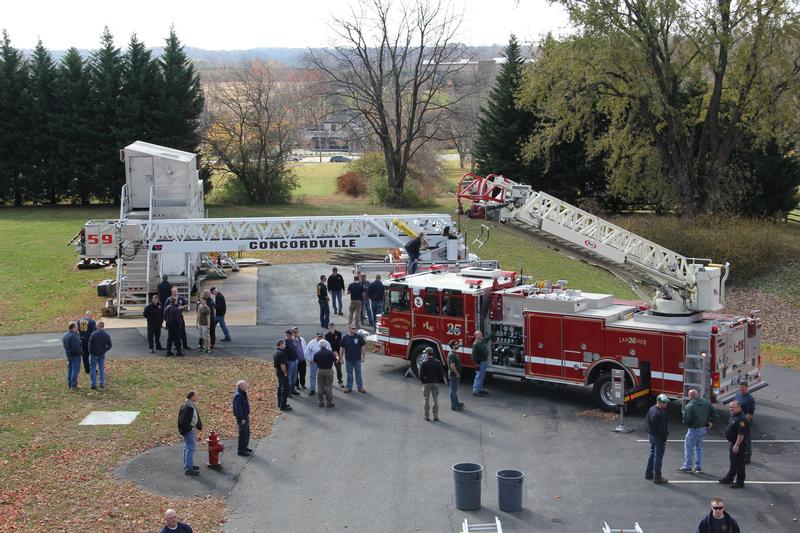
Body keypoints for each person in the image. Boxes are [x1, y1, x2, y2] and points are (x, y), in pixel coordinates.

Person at [680, 389, 717, 473]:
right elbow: (714, 413)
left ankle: (687, 466)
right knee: (698, 448)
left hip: (693, 430)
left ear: (690, 396)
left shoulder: (690, 406)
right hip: (703, 429)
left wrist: (686, 422)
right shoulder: (705, 402)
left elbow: (686, 420)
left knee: (689, 448)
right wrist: (710, 422)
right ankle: (698, 467)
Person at [719, 400, 747, 489]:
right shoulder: (734, 416)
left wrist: (737, 445)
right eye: (730, 407)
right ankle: (729, 478)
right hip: (733, 442)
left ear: (738, 407)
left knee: (739, 463)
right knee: (733, 462)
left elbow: (741, 434)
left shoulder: (741, 419)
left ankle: (740, 482)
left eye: (733, 407)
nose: (731, 409)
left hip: (738, 444)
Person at [645, 394, 670, 484]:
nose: (665, 404)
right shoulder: (661, 413)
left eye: (666, 402)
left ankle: (648, 473)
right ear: (658, 402)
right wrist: (664, 440)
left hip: (651, 435)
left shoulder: (652, 409)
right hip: (658, 438)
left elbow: (646, 421)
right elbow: (663, 430)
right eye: (664, 402)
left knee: (652, 454)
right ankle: (657, 477)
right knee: (658, 458)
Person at [177, 390, 203, 476]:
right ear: (192, 397)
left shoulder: (190, 405)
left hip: (191, 429)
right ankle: (189, 468)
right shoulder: (187, 407)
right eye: (196, 395)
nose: (198, 397)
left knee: (187, 447)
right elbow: (182, 421)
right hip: (189, 431)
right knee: (190, 448)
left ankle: (188, 465)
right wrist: (190, 428)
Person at [419, 347, 444, 421]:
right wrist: (437, 380)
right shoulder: (438, 362)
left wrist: (424, 382)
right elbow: (442, 374)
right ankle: (435, 416)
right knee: (435, 400)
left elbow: (420, 376)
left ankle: (427, 416)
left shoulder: (424, 363)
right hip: (435, 383)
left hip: (426, 383)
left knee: (426, 399)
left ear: (427, 354)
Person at [340, 323, 366, 393]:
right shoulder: (345, 338)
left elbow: (363, 347)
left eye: (355, 328)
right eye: (353, 329)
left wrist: (363, 357)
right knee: (349, 374)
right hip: (348, 359)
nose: (355, 330)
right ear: (349, 329)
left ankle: (360, 387)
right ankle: (349, 387)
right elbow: (342, 348)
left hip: (357, 359)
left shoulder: (358, 337)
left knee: (358, 374)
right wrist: (341, 358)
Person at [734, 382, 755, 464]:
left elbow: (750, 414)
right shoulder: (738, 395)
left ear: (747, 388)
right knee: (738, 439)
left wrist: (743, 423)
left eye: (743, 387)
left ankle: (747, 456)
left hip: (745, 423)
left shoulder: (750, 399)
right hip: (738, 421)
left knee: (746, 439)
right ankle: (740, 454)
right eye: (740, 387)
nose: (741, 389)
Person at [87, 321, 112, 390]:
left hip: (94, 354)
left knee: (93, 368)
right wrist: (105, 350)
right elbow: (110, 345)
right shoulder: (106, 335)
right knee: (101, 369)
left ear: (98, 326)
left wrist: (90, 351)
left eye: (96, 325)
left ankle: (93, 384)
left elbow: (90, 343)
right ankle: (102, 383)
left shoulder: (94, 334)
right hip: (102, 354)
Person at [313, 339, 337, 408]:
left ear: (319, 346)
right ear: (326, 345)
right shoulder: (330, 353)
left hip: (320, 370)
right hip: (328, 370)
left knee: (320, 387)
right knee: (328, 387)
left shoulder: (316, 354)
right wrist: (337, 358)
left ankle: (321, 402)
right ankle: (329, 402)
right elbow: (335, 361)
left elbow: (314, 362)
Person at [232, 380, 252, 456]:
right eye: (244, 386)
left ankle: (245, 447)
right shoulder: (238, 396)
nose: (246, 387)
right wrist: (241, 418)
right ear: (240, 386)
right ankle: (241, 450)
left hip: (245, 416)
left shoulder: (242, 394)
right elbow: (238, 409)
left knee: (247, 433)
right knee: (243, 434)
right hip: (242, 418)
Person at [471, 330, 491, 397]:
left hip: (484, 362)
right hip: (480, 363)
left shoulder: (481, 341)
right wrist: (476, 364)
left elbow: (488, 338)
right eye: (479, 334)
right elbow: (473, 356)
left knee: (482, 376)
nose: (481, 335)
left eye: (481, 334)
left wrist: (494, 331)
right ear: (476, 336)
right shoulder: (476, 345)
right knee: (479, 376)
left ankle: (480, 389)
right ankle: (475, 391)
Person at [273, 339, 292, 411]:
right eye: (284, 344)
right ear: (280, 344)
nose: (285, 345)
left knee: (280, 388)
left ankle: (280, 403)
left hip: (278, 372)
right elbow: (282, 365)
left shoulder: (275, 351)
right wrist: (285, 373)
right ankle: (283, 406)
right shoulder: (281, 353)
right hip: (282, 373)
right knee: (284, 389)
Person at [62, 322, 82, 389]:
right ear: (73, 328)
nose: (78, 328)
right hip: (75, 355)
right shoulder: (73, 336)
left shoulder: (65, 335)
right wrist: (80, 352)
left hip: (69, 354)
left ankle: (69, 383)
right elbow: (76, 348)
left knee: (70, 369)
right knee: (75, 369)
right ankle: (74, 384)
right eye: (76, 327)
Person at [305, 332, 324, 396]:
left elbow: (329, 350)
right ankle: (312, 389)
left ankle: (323, 389)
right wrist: (310, 360)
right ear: (316, 336)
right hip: (314, 362)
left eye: (321, 336)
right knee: (312, 376)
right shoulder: (311, 343)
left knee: (322, 376)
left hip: (322, 362)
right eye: (319, 336)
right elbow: (306, 352)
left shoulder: (325, 342)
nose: (320, 337)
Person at [325, 322, 344, 387]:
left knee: (338, 368)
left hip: (337, 354)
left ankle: (340, 381)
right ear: (328, 328)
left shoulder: (339, 333)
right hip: (330, 354)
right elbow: (328, 345)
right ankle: (329, 381)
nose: (331, 329)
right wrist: (333, 350)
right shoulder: (327, 335)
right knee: (329, 369)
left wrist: (338, 354)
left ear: (334, 327)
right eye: (329, 327)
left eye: (332, 327)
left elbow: (339, 343)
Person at [447, 340, 464, 411]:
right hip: (453, 375)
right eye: (456, 344)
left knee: (454, 390)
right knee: (453, 391)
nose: (458, 345)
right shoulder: (451, 354)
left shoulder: (454, 353)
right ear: (453, 346)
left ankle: (456, 403)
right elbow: (452, 366)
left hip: (455, 375)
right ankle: (454, 406)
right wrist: (457, 374)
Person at [284, 330, 300, 396]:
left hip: (295, 360)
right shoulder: (285, 342)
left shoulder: (292, 340)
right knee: (289, 377)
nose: (291, 335)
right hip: (290, 362)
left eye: (291, 334)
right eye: (289, 334)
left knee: (294, 377)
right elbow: (285, 354)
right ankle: (288, 392)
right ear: (287, 334)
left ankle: (293, 390)